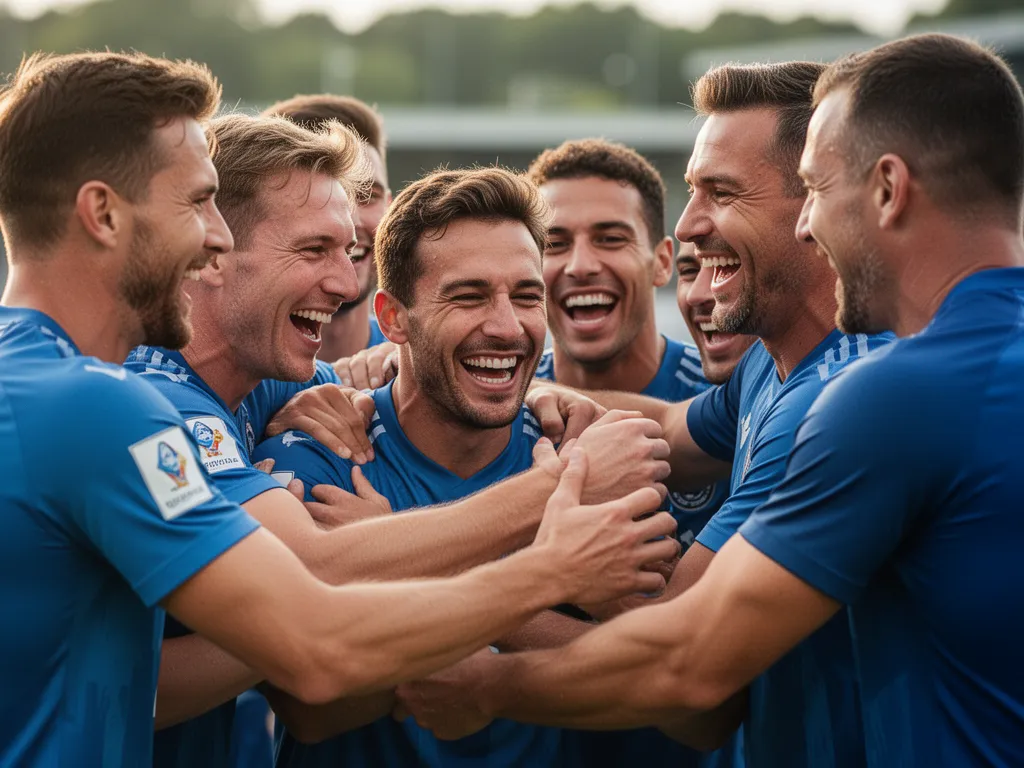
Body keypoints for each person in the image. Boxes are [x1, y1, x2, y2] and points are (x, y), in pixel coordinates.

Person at [0, 49, 680, 765]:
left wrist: (537, 387)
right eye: (196, 203)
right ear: (103, 213)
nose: (215, 236)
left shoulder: (96, 383)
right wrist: (555, 549)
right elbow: (314, 643)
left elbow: (139, 683)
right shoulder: (106, 409)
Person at [399, 33, 1024, 767]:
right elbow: (672, 428)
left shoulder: (885, 396)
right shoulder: (800, 368)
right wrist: (505, 382)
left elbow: (689, 659)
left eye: (818, 189)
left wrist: (483, 668)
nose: (690, 226)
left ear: (887, 189)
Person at [254, 166, 670, 767]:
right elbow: (312, 708)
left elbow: (672, 685)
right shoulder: (319, 454)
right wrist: (552, 580)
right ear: (393, 318)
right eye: (468, 296)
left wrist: (386, 558)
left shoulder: (592, 461)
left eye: (526, 296)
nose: (506, 327)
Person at [526, 138, 747, 768]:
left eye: (610, 238)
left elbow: (708, 691)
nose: (580, 265)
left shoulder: (727, 406)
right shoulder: (484, 404)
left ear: (662, 261)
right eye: (554, 243)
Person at [263, 94, 393, 377]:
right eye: (323, 199)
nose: (351, 222)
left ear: (390, 208)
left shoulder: (419, 368)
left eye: (368, 196)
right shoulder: (232, 381)